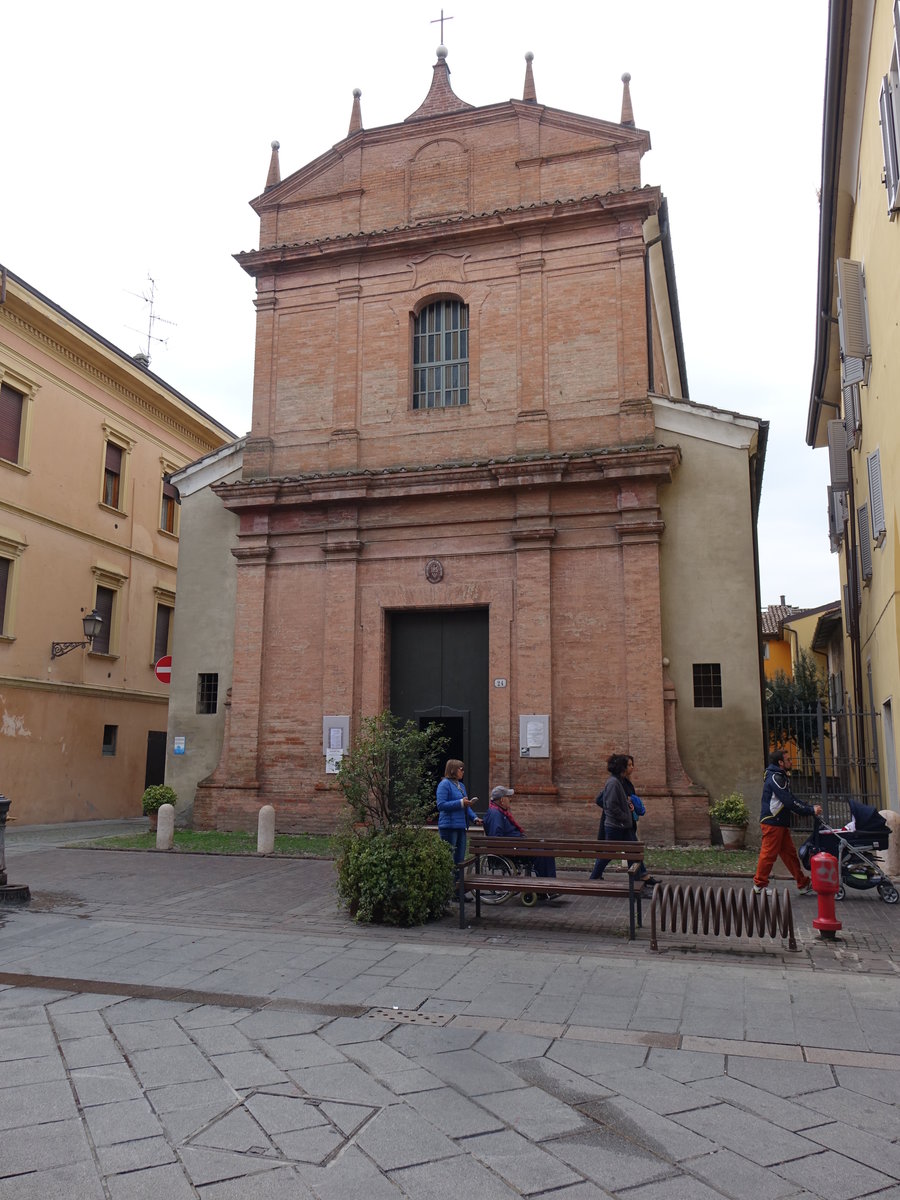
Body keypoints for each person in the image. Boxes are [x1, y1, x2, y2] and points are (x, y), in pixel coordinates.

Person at [753, 749, 823, 896]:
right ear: (780, 763)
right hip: (772, 822)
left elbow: (791, 799)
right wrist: (810, 810)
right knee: (769, 854)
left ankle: (803, 883)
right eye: (788, 759)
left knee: (789, 854)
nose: (791, 762)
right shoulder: (776, 778)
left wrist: (808, 808)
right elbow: (789, 801)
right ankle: (759, 885)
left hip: (779, 822)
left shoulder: (779, 776)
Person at [589, 753, 656, 884]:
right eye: (629, 765)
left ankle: (639, 879)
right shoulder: (614, 783)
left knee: (633, 851)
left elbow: (618, 802)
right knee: (609, 853)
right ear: (622, 767)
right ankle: (594, 877)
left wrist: (628, 806)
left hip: (623, 825)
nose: (632, 767)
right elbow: (611, 805)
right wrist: (625, 816)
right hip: (617, 825)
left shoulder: (621, 781)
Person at [482, 785, 557, 883]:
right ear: (502, 800)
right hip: (513, 848)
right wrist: (516, 844)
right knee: (541, 852)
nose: (510, 800)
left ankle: (550, 883)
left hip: (517, 845)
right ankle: (546, 885)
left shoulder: (499, 812)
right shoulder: (496, 814)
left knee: (546, 848)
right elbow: (497, 838)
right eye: (508, 797)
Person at [436, 759, 480, 867]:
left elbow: (465, 806)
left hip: (461, 826)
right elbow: (441, 805)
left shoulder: (461, 786)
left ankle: (457, 882)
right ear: (452, 770)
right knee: (448, 857)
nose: (463, 772)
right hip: (449, 826)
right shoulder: (444, 784)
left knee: (460, 859)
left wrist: (474, 818)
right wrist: (460, 802)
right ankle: (449, 882)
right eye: (461, 769)